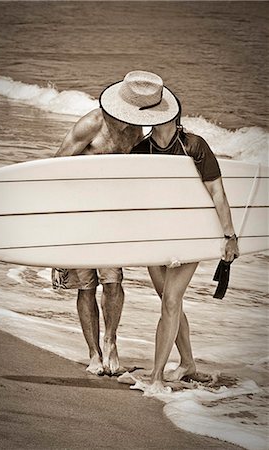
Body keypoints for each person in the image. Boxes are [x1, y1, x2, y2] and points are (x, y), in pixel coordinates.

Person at [99, 70, 239, 392]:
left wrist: (229, 237)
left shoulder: (195, 147)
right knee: (168, 301)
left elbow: (217, 193)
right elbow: (132, 201)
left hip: (191, 237)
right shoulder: (141, 151)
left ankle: (158, 376)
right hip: (157, 239)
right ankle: (188, 365)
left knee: (171, 301)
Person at [53, 81, 144, 376]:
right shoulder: (90, 125)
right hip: (78, 217)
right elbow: (54, 169)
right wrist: (53, 238)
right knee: (85, 287)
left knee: (114, 281)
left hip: (111, 218)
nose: (129, 121)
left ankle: (111, 344)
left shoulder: (136, 131)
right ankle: (93, 354)